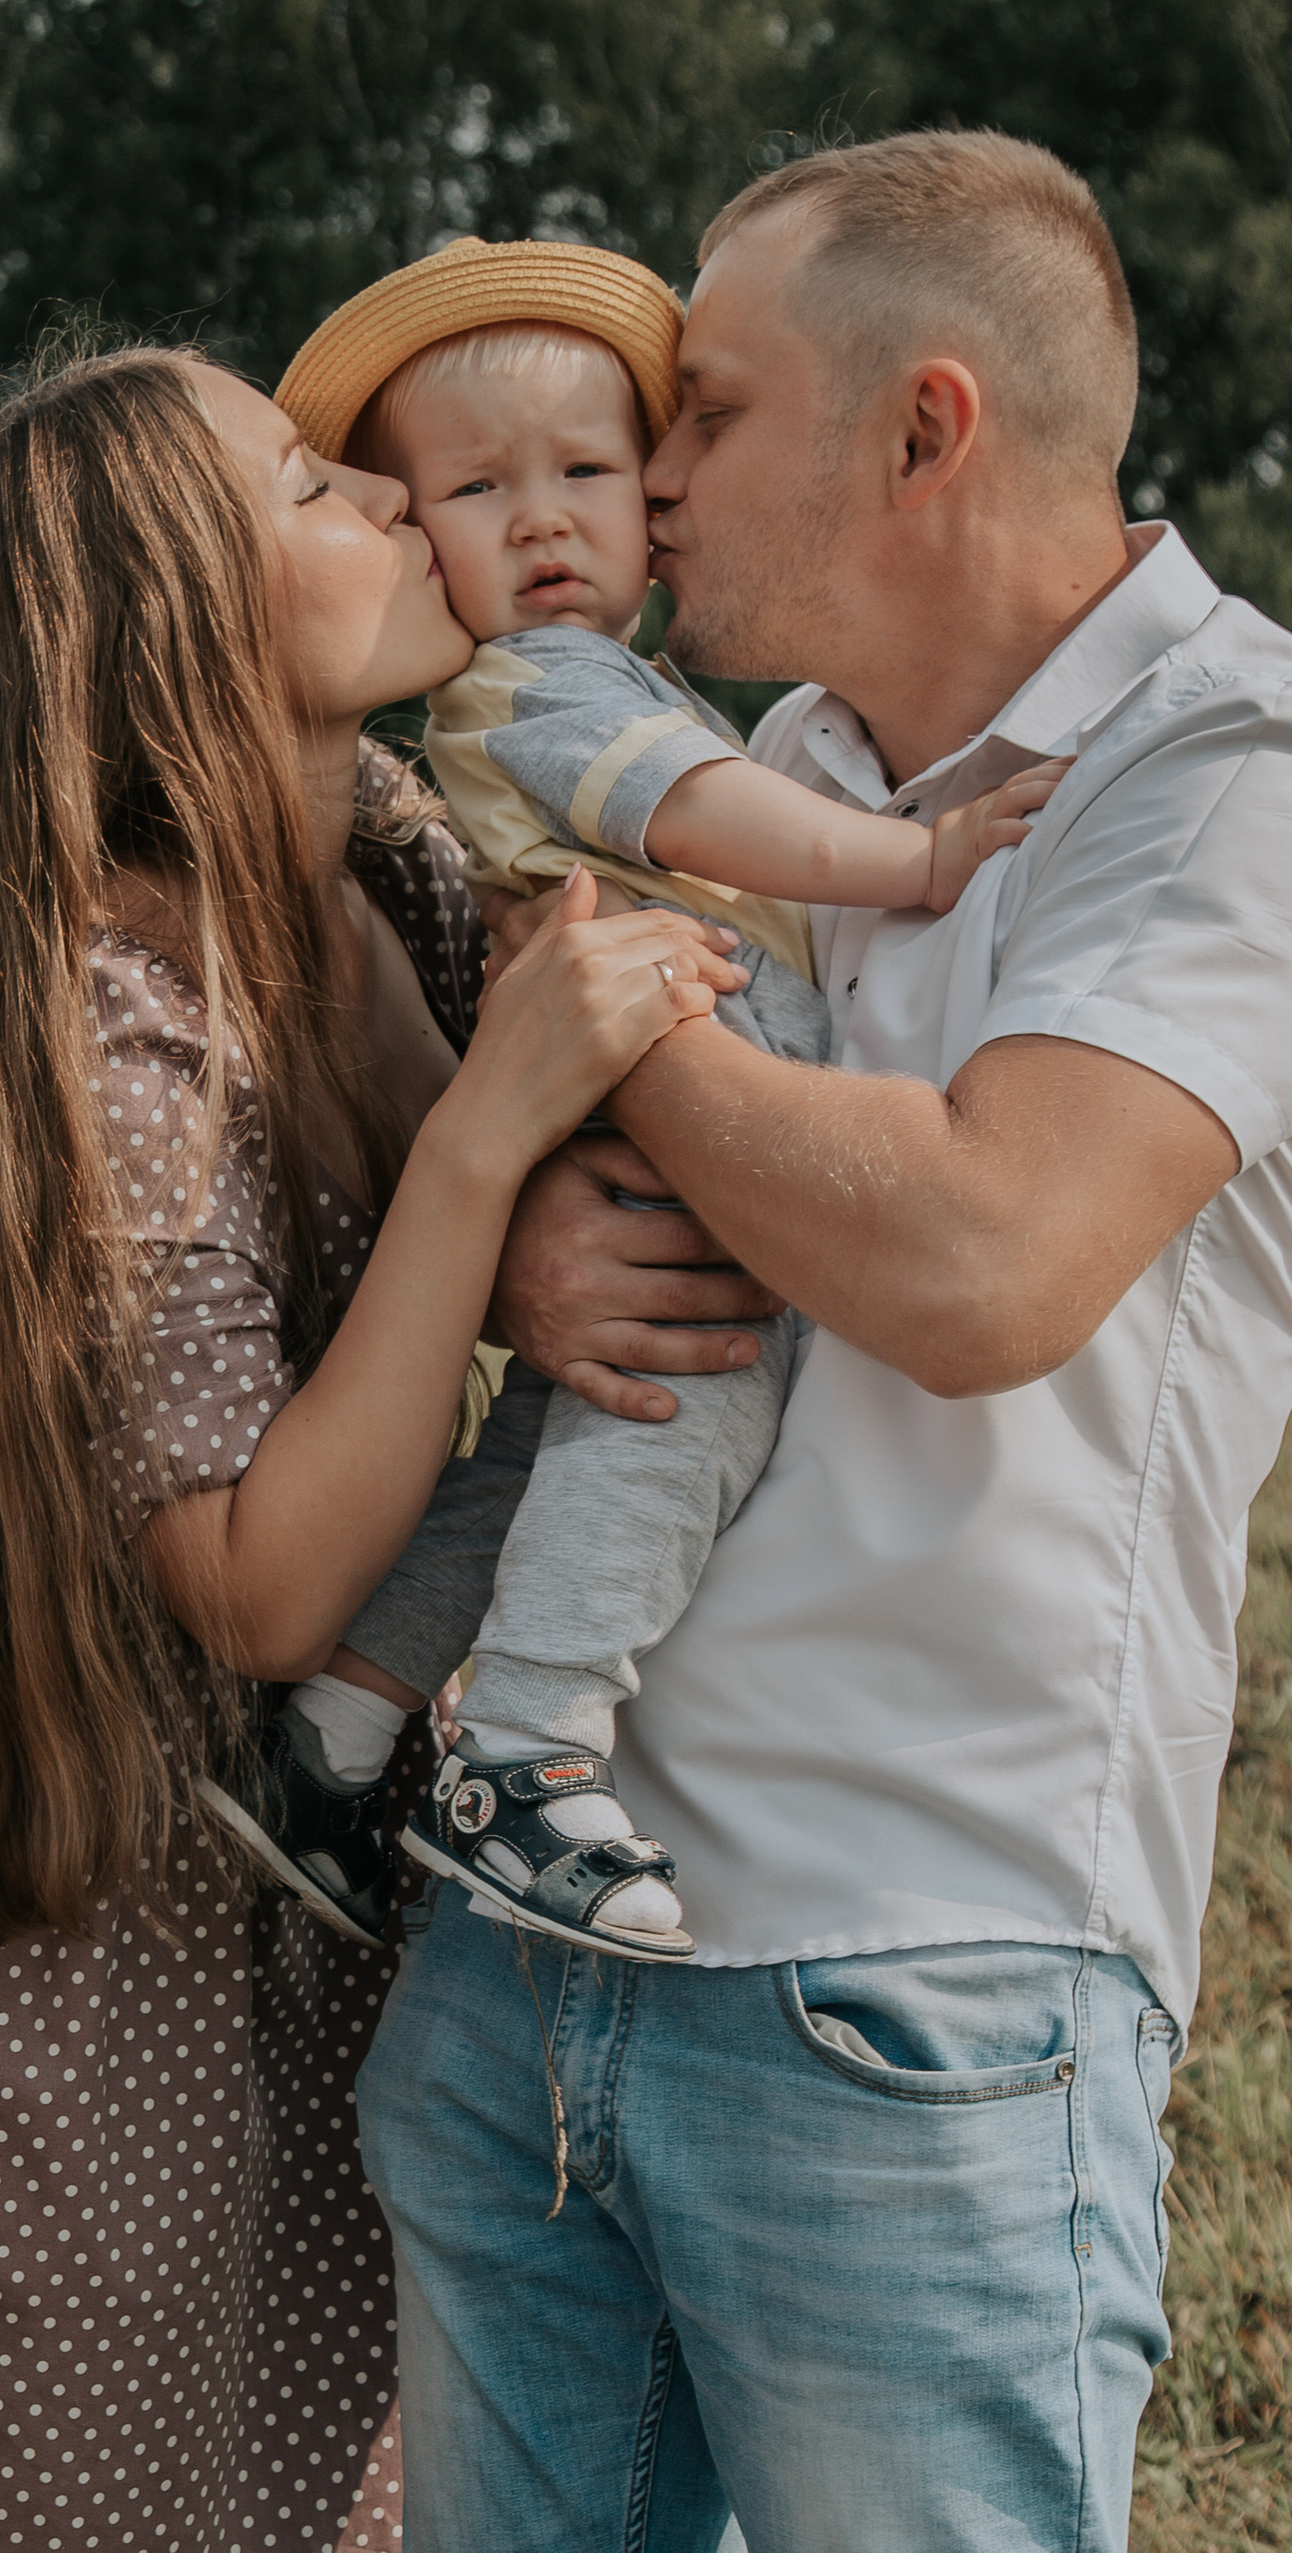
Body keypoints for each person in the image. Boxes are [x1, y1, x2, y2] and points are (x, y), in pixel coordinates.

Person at [360, 130, 1292, 2552]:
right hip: (527, 1953)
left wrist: (589, 1007)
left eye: (708, 409)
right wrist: (528, 1229)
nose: (644, 470)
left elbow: (980, 1259)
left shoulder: (1222, 768)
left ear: (921, 428)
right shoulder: (764, 771)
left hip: (909, 1991)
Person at [0, 341, 741, 2550]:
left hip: (273, 1895)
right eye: (303, 485)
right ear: (158, 633)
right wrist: (475, 1154)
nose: (384, 495)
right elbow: (258, 1580)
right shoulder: (113, 1026)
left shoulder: (387, 873)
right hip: (36, 1944)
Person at [211, 240, 1062, 1962]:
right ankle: (524, 1750)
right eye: (477, 489)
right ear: (415, 525)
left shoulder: (587, 683)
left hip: (623, 1117)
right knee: (690, 1412)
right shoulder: (544, 683)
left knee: (541, 1451)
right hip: (674, 1133)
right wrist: (914, 860)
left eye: (587, 472)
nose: (542, 521)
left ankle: (337, 1737)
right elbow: (697, 816)